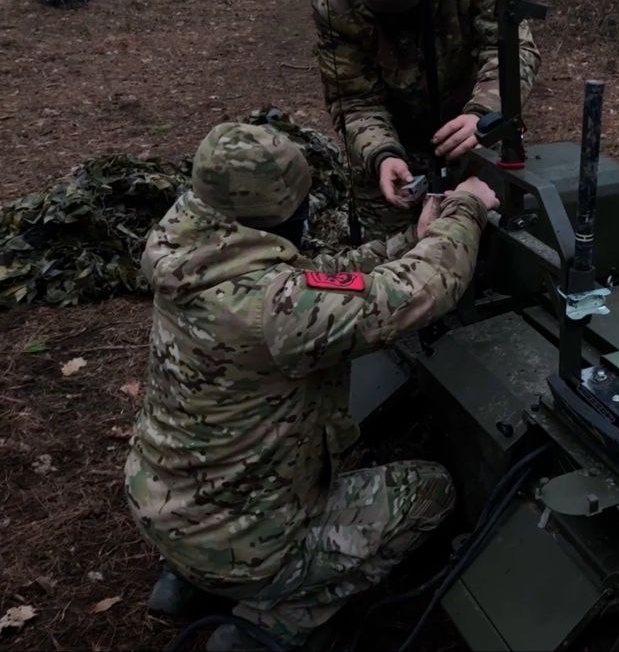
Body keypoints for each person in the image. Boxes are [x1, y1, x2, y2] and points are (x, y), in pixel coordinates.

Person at [123, 122, 499, 651]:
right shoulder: (275, 311)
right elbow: (422, 291)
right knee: (429, 492)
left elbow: (314, 278)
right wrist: (466, 210)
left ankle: (186, 580)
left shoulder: (191, 250)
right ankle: (273, 623)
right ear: (278, 215)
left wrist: (410, 240)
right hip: (242, 541)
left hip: (165, 505)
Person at [315, 0, 540, 240]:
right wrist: (380, 154)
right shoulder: (337, 0)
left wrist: (484, 113)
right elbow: (353, 98)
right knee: (391, 252)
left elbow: (511, 50)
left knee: (498, 229)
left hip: (473, 126)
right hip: (395, 135)